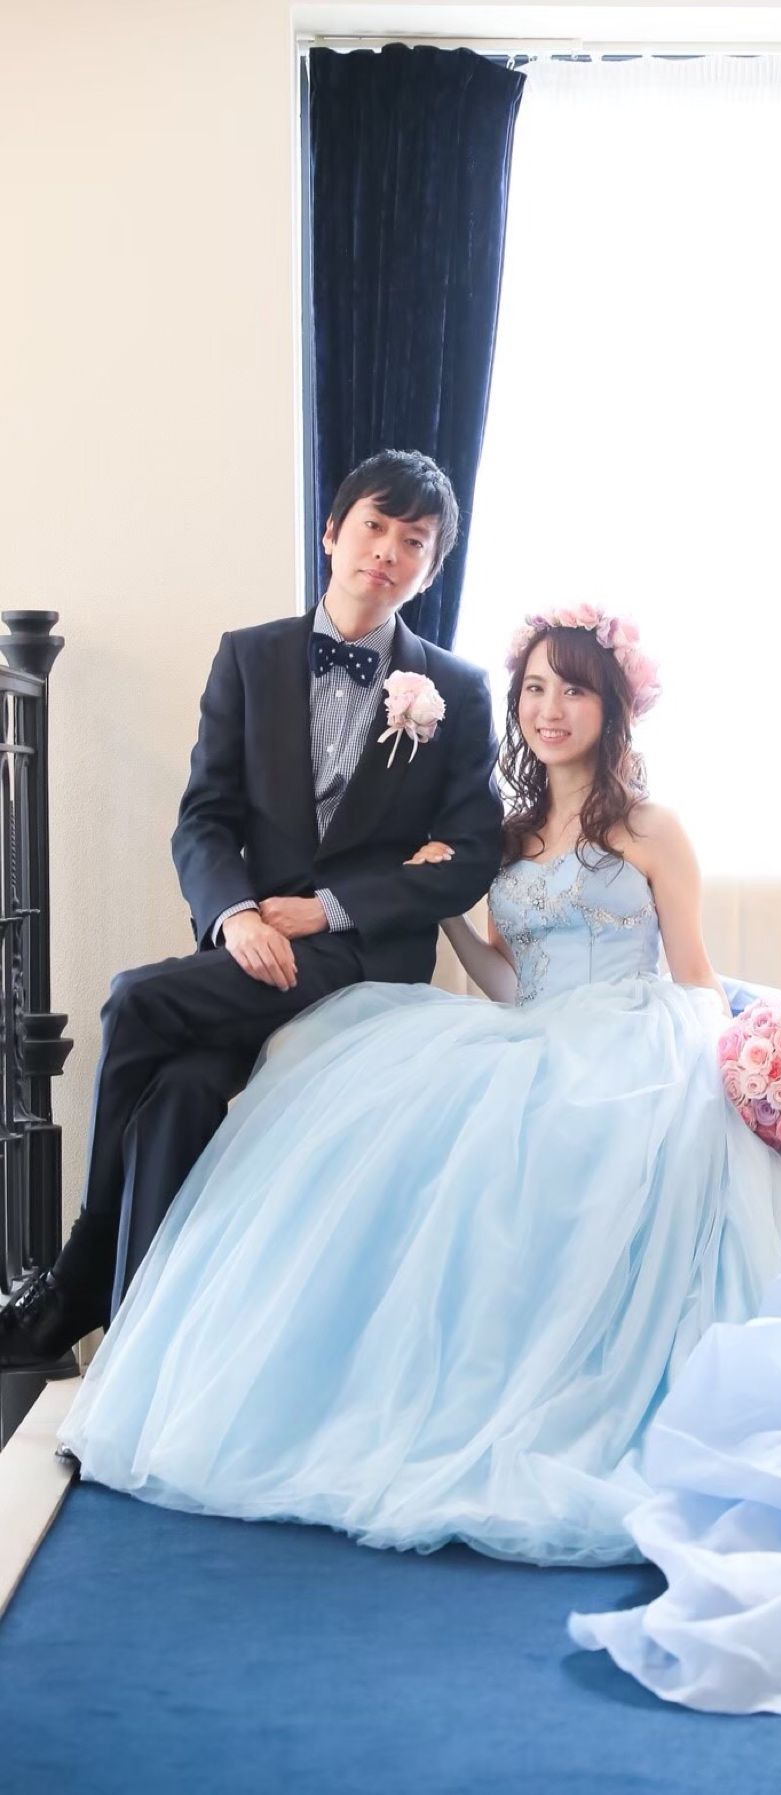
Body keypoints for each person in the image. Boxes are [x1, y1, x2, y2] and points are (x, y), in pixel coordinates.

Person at [59, 608, 781, 1714]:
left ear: (612, 706)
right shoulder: (502, 835)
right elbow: (510, 981)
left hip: (644, 1035)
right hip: (531, 1034)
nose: (549, 709)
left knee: (613, 1142)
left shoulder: (651, 827)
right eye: (534, 689)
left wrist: (726, 1062)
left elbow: (692, 973)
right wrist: (448, 910)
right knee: (381, 1107)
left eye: (573, 689)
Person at [0, 450, 503, 1372]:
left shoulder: (457, 692)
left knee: (136, 998)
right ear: (333, 532)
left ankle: (79, 1269)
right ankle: (138, 1358)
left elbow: (472, 853)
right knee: (179, 1094)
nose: (387, 552)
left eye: (414, 542)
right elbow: (204, 819)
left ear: (432, 569)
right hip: (250, 952)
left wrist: (332, 909)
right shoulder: (249, 655)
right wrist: (235, 916)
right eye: (374, 526)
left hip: (363, 961)